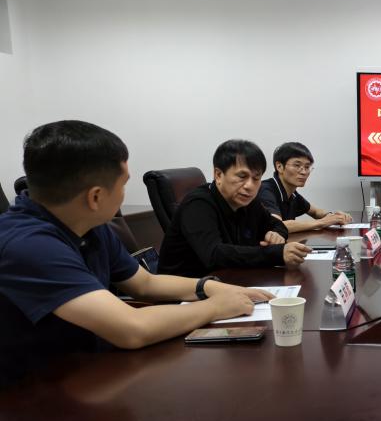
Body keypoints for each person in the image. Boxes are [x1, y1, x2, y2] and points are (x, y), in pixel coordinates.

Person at [0, 121, 272, 373]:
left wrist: (210, 287)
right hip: (35, 386)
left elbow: (144, 284)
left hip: (89, 365)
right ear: (95, 197)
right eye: (123, 184)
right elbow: (132, 329)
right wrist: (215, 307)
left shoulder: (88, 225)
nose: (123, 194)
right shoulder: (28, 245)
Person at [158, 140, 310, 277]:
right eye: (242, 177)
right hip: (186, 290)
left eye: (256, 178)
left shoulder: (248, 201)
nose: (249, 186)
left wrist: (276, 234)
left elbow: (277, 225)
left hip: (229, 280)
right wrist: (276, 254)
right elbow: (214, 254)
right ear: (218, 175)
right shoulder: (197, 204)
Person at [259, 142, 353, 234]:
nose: (303, 172)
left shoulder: (292, 194)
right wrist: (322, 222)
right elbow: (276, 226)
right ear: (279, 167)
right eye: (297, 165)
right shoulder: (265, 190)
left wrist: (334, 217)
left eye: (307, 167)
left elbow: (315, 212)